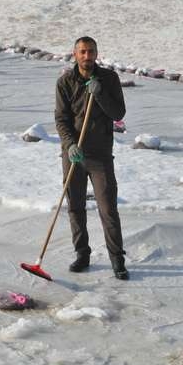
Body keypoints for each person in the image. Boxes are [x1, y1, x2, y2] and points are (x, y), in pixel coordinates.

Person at [54, 36, 129, 280]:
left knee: (108, 208)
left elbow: (118, 113)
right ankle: (82, 254)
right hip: (74, 155)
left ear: (97, 53)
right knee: (75, 207)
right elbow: (61, 119)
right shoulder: (65, 82)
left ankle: (117, 260)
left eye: (91, 51)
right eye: (83, 52)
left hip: (100, 155)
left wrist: (100, 95)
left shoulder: (109, 79)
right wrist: (70, 144)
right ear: (75, 54)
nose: (88, 56)